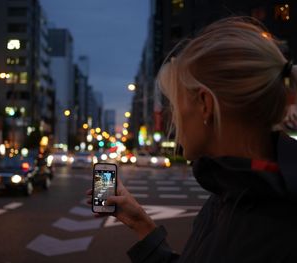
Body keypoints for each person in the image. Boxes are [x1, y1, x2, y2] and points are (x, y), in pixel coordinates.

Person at [87, 16, 297, 262]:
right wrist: (141, 224)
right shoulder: (234, 189)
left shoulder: (268, 222)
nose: (174, 120)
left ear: (205, 105)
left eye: (176, 104)